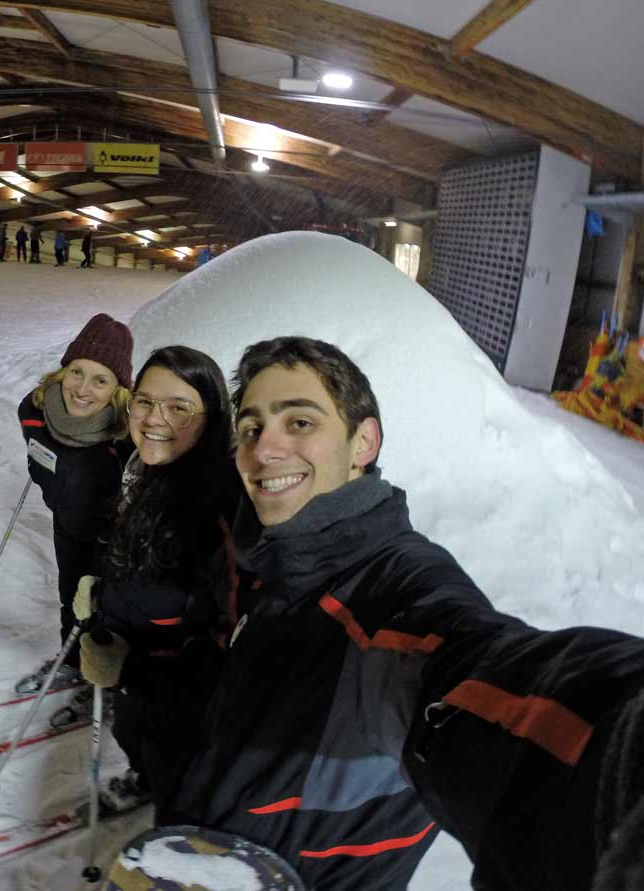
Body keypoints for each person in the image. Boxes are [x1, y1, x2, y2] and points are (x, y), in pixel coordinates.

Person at [152, 336, 644, 891]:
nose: (265, 448)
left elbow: (493, 687)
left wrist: (621, 773)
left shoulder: (390, 592)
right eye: (251, 428)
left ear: (364, 441)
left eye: (301, 423)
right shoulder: (273, 563)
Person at [73, 346, 243, 816]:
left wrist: (129, 669)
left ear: (212, 417)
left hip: (180, 686)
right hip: (140, 663)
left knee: (176, 765)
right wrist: (104, 599)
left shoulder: (219, 501)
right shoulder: (146, 468)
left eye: (179, 407)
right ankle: (145, 777)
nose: (153, 418)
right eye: (144, 401)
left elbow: (213, 629)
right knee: (133, 732)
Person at [15, 313, 134, 694]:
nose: (82, 389)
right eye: (77, 372)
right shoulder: (35, 411)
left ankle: (107, 678)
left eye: (100, 380)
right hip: (67, 521)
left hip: (114, 537)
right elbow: (39, 456)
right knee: (71, 594)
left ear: (117, 389)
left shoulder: (125, 434)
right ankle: (73, 659)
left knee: (104, 607)